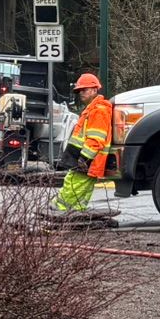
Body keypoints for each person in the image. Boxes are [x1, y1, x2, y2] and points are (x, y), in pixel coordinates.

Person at [51, 72, 113, 215]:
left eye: (84, 90)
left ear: (94, 90)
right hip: (85, 160)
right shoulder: (92, 110)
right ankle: (77, 212)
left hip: (86, 160)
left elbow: (96, 139)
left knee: (72, 184)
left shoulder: (99, 111)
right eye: (80, 91)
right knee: (81, 188)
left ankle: (59, 209)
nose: (81, 93)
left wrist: (84, 158)